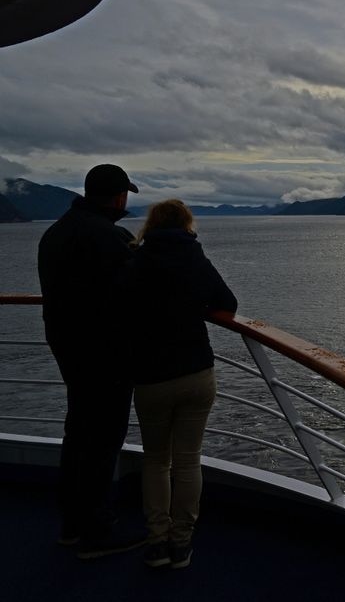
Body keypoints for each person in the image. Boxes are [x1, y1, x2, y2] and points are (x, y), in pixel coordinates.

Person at [37, 163, 146, 558]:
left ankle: (71, 522)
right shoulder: (108, 237)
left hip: (68, 349)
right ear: (119, 196)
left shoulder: (55, 234)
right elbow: (137, 291)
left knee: (79, 432)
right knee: (102, 439)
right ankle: (95, 529)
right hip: (107, 355)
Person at [122, 199, 237, 569]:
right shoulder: (194, 258)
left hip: (151, 376)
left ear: (151, 225)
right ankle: (181, 544)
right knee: (188, 461)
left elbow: (117, 306)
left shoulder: (135, 261)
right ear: (187, 223)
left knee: (156, 460)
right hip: (195, 372)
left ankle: (156, 542)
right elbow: (227, 303)